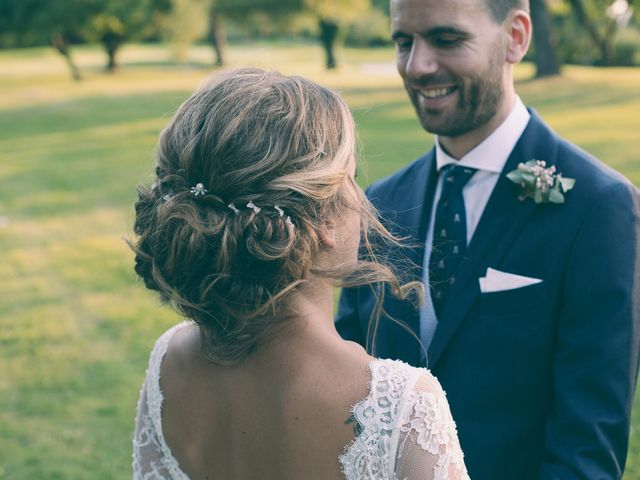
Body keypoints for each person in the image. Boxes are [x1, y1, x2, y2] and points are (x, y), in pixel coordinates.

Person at [336, 0, 640, 478]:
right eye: (403, 42)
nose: (417, 65)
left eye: (446, 40)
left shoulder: (598, 207)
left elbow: (587, 445)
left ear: (516, 36)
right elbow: (343, 386)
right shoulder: (381, 202)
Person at [130, 68, 469, 479]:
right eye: (349, 177)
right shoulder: (401, 410)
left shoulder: (170, 364)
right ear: (321, 222)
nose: (360, 196)